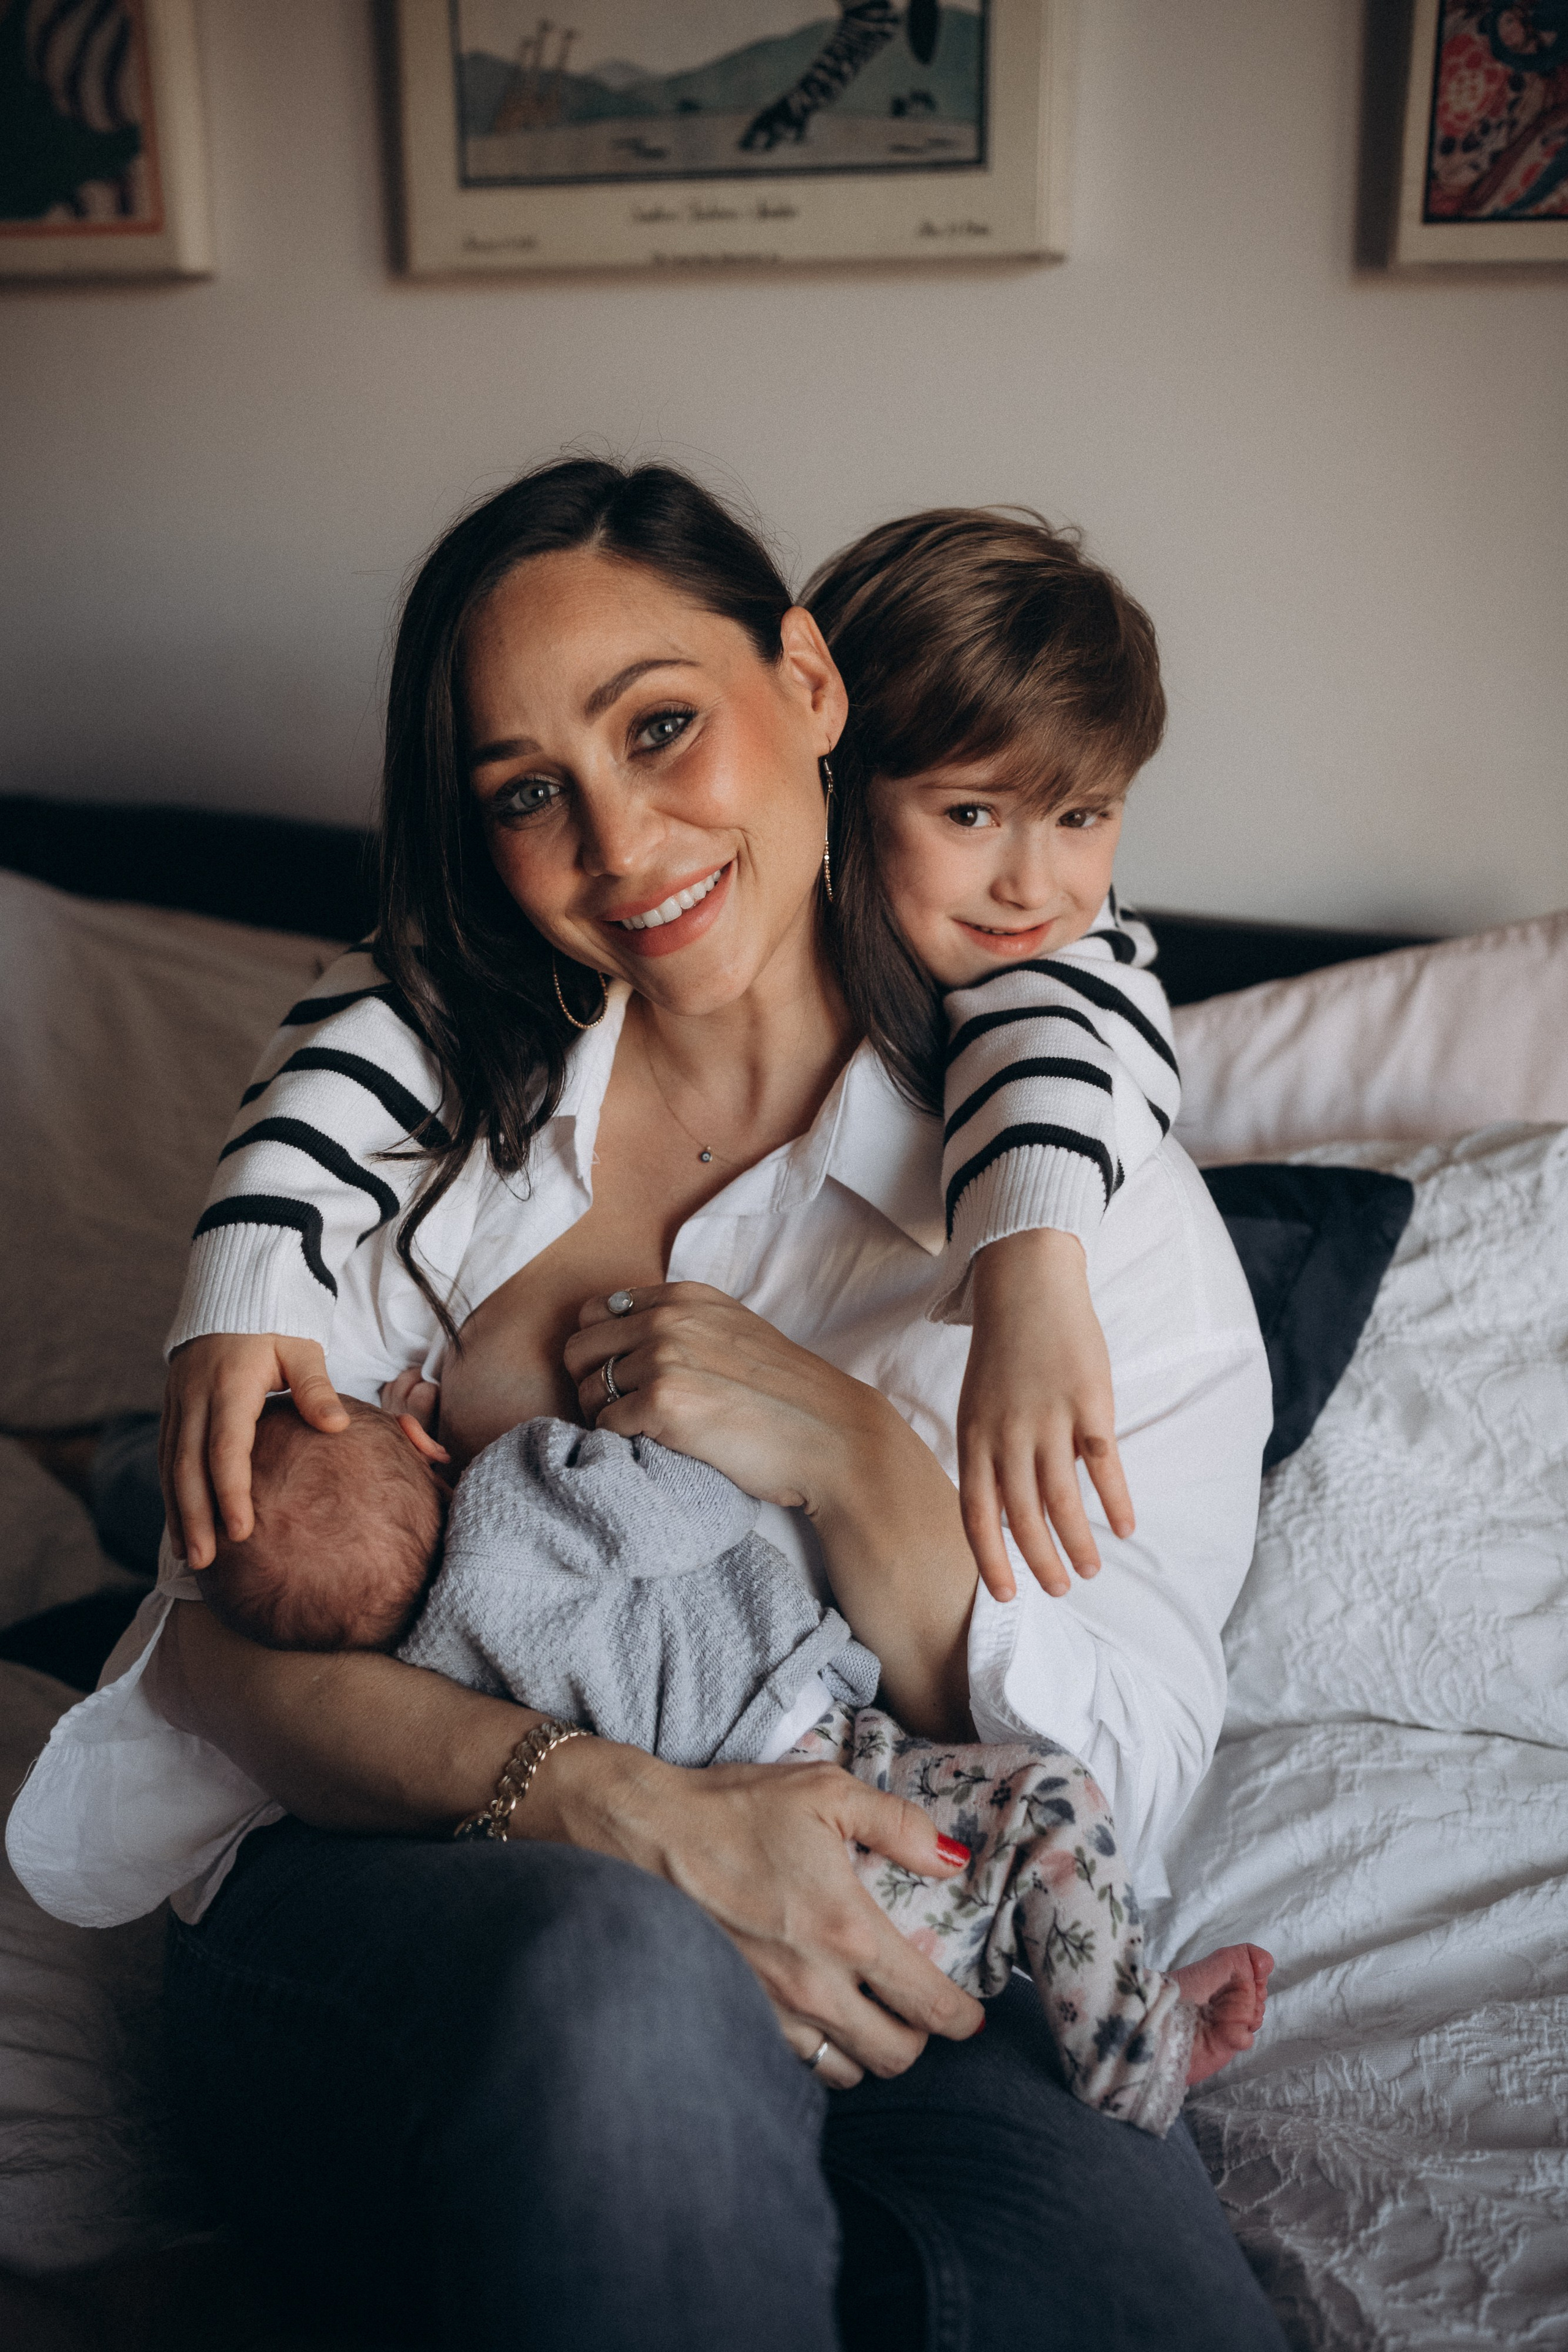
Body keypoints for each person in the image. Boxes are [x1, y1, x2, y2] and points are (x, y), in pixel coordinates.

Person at [6, 459, 1281, 2351]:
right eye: (529, 791)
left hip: (907, 1922)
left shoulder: (1086, 1217)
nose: (619, 844)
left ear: (810, 686)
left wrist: (856, 1458)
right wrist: (612, 1810)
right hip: (413, 1894)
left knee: (1122, 2287)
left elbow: (1137, 1761)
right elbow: (218, 1661)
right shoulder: (401, 1140)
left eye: (661, 727)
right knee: (617, 1983)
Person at [200, 1395, 1273, 2140]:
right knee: (1049, 1798)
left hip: (756, 1899)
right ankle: (1134, 2051)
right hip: (817, 1760)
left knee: (970, 1886)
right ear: (420, 1440)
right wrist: (591, 1439)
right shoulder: (517, 1482)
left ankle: (1066, 1989)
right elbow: (703, 1509)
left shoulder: (423, 1673)